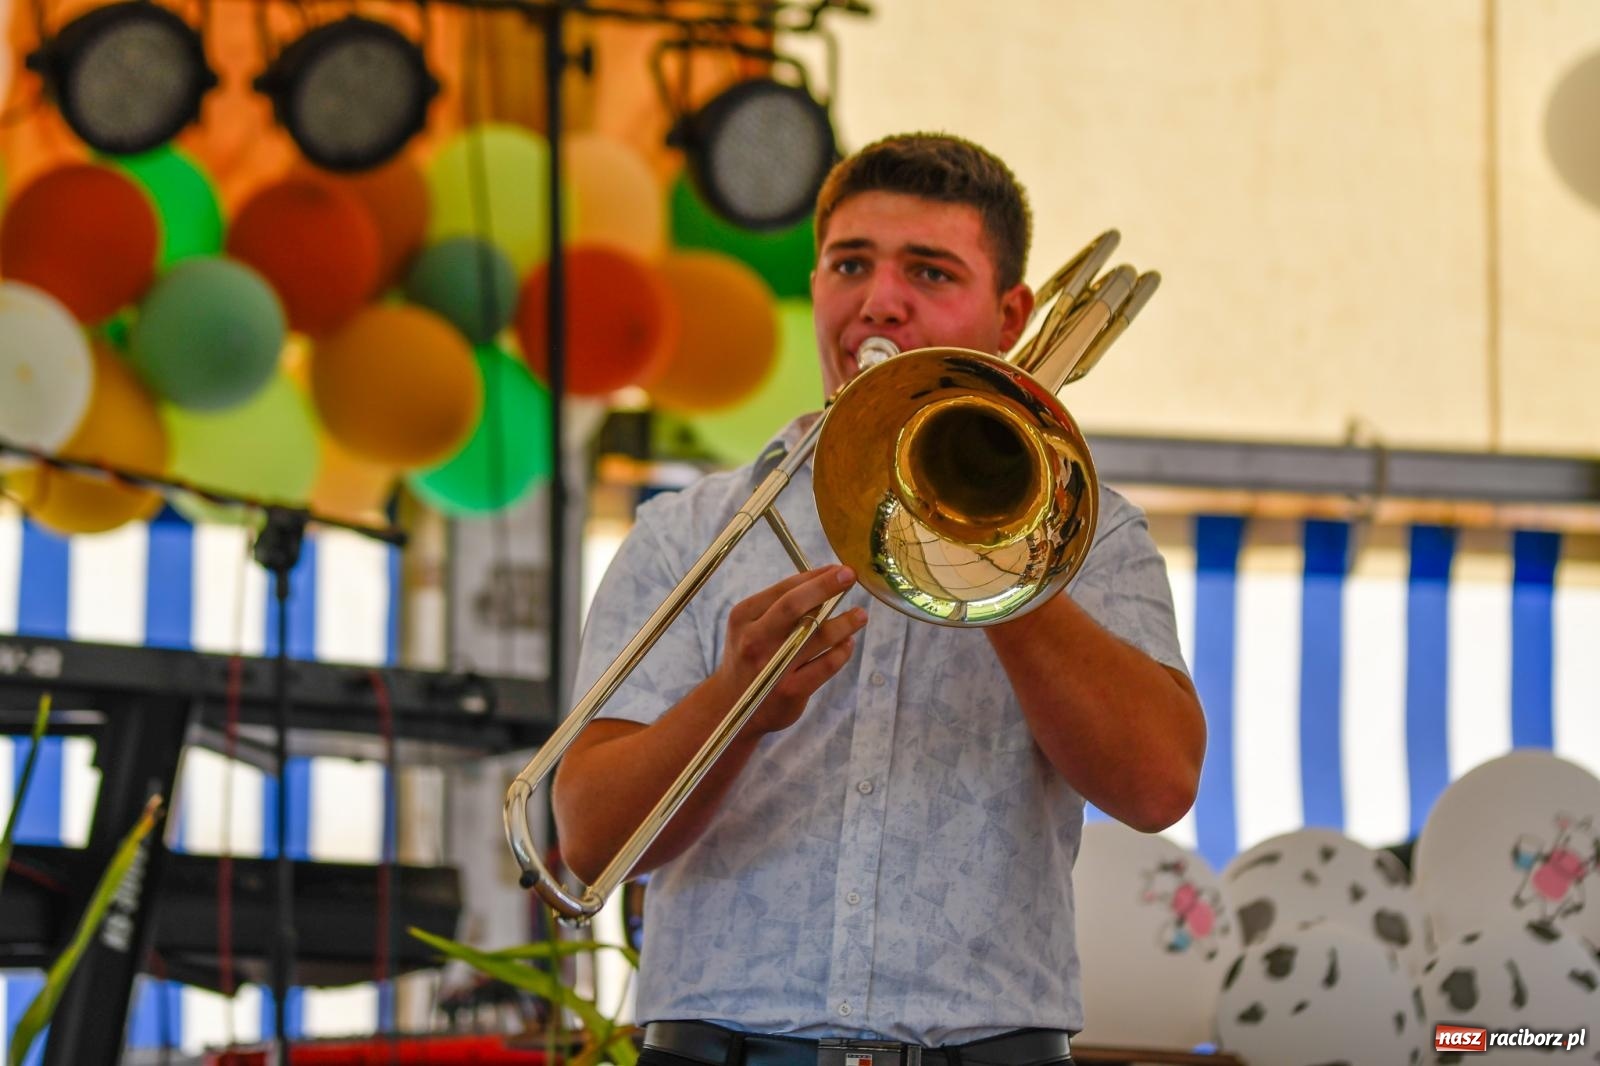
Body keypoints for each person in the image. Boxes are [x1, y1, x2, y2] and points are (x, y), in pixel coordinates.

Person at [553, 132, 1206, 1066]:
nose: (879, 300)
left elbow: (1157, 786)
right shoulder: (683, 531)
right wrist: (736, 703)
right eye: (850, 264)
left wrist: (1000, 558)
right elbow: (589, 836)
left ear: (1010, 314)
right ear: (816, 285)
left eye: (930, 272)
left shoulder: (1088, 531)